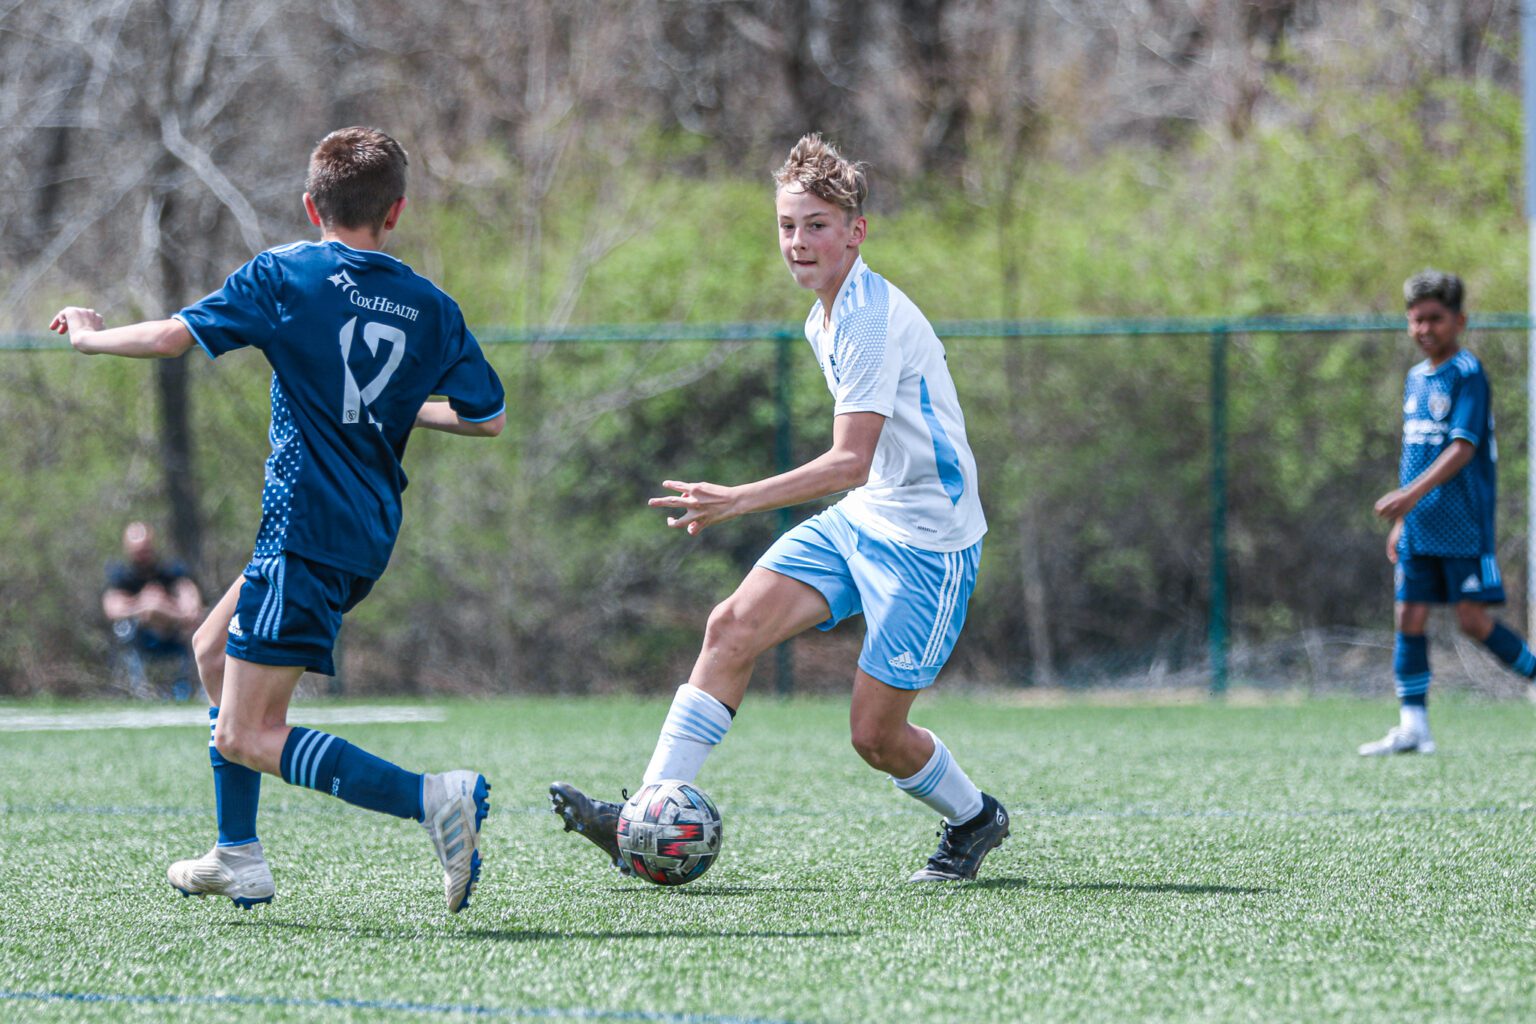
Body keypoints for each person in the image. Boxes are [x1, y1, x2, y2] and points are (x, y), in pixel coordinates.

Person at [49, 127, 506, 912]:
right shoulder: (432, 307)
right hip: (361, 531)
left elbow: (168, 339)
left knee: (246, 735)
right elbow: (486, 417)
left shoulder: (287, 275)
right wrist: (397, 410)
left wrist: (90, 340)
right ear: (395, 213)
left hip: (304, 529)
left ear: (309, 204)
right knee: (210, 649)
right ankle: (239, 855)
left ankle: (434, 798)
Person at [551, 134, 1008, 882]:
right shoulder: (820, 316)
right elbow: (863, 473)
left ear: (855, 231)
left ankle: (974, 817)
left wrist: (739, 499)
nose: (798, 242)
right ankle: (645, 815)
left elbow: (849, 460)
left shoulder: (865, 317)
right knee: (730, 627)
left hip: (929, 545)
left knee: (875, 738)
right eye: (788, 225)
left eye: (817, 225)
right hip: (867, 518)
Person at [1361, 270, 1536, 755]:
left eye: (1434, 319)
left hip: (1462, 524)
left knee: (1472, 621)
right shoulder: (1416, 379)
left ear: (1458, 320)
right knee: (1408, 616)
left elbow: (1462, 447)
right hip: (1418, 525)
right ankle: (1414, 726)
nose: (1424, 329)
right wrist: (1402, 519)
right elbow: (1414, 453)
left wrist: (1407, 498)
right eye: (1416, 320)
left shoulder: (1467, 373)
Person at [103, 521, 203, 701]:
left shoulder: (172, 572)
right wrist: (144, 603)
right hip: (141, 636)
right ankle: (140, 690)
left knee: (199, 627)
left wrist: (160, 606)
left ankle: (198, 687)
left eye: (145, 549)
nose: (142, 555)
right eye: (137, 550)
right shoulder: (121, 577)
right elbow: (112, 609)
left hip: (176, 634)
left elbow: (192, 607)